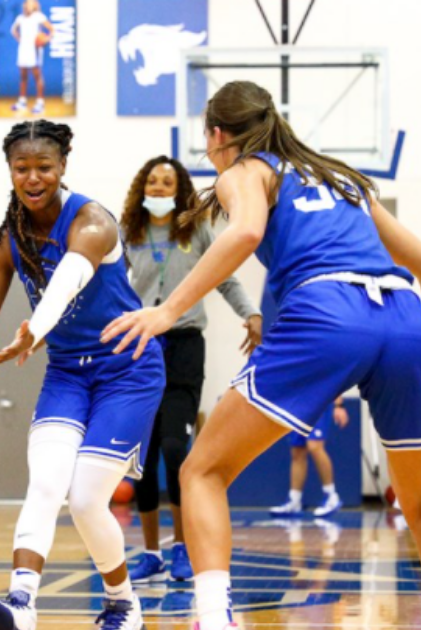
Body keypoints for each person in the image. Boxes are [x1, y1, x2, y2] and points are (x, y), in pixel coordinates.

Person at [102, 80, 421, 630]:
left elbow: (243, 235)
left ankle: (215, 619)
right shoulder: (345, 179)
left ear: (217, 134)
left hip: (329, 309)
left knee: (203, 472)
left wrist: (168, 312)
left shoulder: (246, 170)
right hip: (408, 320)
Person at [0, 120, 164, 630]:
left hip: (128, 370)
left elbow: (69, 278)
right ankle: (21, 603)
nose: (33, 177)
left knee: (88, 498)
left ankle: (123, 605)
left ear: (63, 166)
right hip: (68, 373)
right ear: (9, 171)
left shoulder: (93, 220)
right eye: (21, 168)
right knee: (46, 483)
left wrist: (36, 329)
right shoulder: (8, 240)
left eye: (43, 167)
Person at [119, 155, 262, 583]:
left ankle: (181, 547)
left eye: (167, 182)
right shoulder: (130, 232)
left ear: (179, 190)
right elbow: (112, 285)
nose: (160, 188)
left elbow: (227, 278)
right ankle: (150, 553)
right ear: (142, 189)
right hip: (140, 347)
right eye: (153, 182)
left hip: (183, 346)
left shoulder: (196, 230)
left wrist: (251, 314)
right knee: (138, 456)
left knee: (175, 450)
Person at [269, 398, 347, 517]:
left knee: (315, 446)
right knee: (297, 451)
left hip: (320, 400)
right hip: (299, 401)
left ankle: (331, 496)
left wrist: (339, 405)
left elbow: (335, 378)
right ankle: (294, 500)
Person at [10, 0, 53, 115]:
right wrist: (21, 41)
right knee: (23, 76)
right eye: (25, 3)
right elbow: (13, 30)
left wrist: (45, 40)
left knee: (37, 76)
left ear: (34, 5)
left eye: (29, 3)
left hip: (34, 50)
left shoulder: (38, 16)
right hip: (23, 49)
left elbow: (51, 29)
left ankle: (40, 103)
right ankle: (22, 102)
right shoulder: (20, 18)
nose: (26, 5)